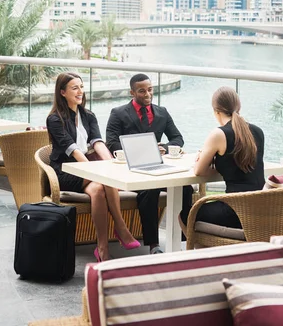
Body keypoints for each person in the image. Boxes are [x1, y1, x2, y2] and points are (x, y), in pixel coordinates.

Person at [47, 72, 140, 262]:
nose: (80, 91)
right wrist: (97, 170)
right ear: (62, 92)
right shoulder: (55, 119)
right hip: (66, 171)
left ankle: (102, 248)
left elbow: (97, 142)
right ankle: (121, 227)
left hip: (88, 171)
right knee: (103, 178)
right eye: (75, 88)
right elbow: (73, 150)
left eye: (81, 86)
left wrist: (110, 163)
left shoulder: (88, 115)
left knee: (98, 189)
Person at [106, 73, 193, 254]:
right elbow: (111, 143)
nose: (147, 94)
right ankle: (154, 245)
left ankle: (186, 239)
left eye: (150, 89)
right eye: (142, 91)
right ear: (132, 92)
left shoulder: (162, 113)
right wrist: (140, 150)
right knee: (149, 190)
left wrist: (166, 148)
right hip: (132, 170)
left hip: (158, 166)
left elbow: (178, 138)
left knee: (186, 188)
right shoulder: (118, 113)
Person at [179, 86, 264, 234]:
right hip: (258, 210)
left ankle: (196, 250)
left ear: (216, 111)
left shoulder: (219, 134)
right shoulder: (257, 131)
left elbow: (199, 171)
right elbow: (238, 165)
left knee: (186, 213)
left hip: (234, 212)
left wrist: (202, 156)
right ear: (239, 107)